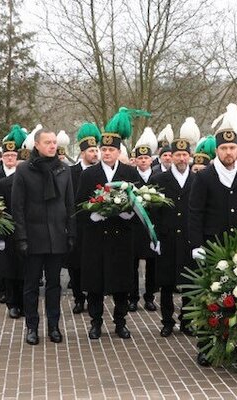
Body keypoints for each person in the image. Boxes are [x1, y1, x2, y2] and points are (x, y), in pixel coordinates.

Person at [189, 104, 237, 366]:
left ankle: (234, 345)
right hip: (211, 246)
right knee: (210, 298)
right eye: (224, 148)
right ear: (217, 150)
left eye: (233, 148)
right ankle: (206, 346)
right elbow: (195, 212)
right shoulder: (205, 177)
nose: (229, 152)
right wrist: (196, 244)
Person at [75, 107, 146, 340]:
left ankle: (120, 321)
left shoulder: (129, 172)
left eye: (111, 149)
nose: (106, 153)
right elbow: (79, 205)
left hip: (121, 236)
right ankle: (95, 322)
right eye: (103, 149)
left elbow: (140, 203)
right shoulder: (88, 174)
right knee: (95, 283)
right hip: (95, 237)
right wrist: (92, 215)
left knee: (121, 282)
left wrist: (129, 215)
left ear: (118, 151)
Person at [12, 128, 76, 345]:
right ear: (36, 145)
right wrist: (21, 237)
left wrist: (71, 232)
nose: (52, 146)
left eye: (54, 142)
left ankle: (54, 326)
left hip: (57, 235)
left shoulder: (64, 170)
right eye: (47, 142)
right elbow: (17, 207)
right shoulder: (23, 170)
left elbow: (69, 203)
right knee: (30, 285)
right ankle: (32, 327)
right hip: (33, 235)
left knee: (54, 285)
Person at [150, 138, 195, 337]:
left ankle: (186, 320)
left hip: (188, 238)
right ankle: (167, 321)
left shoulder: (196, 179)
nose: (181, 158)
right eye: (177, 155)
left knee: (189, 282)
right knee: (166, 282)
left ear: (190, 157)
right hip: (167, 237)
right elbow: (153, 209)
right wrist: (155, 237)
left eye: (185, 155)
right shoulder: (159, 179)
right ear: (171, 157)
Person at [0, 127, 28, 319]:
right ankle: (12, 303)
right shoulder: (3, 184)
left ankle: (25, 302)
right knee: (10, 270)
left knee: (27, 271)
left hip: (30, 232)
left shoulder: (35, 184)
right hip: (9, 232)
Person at [69, 123, 101, 314]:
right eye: (91, 151)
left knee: (93, 263)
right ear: (82, 153)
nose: (95, 154)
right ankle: (78, 298)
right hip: (77, 224)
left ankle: (92, 297)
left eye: (96, 150)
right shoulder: (71, 172)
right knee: (75, 264)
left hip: (96, 225)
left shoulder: (100, 172)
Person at [129, 143, 157, 312]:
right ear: (136, 160)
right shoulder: (131, 177)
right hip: (135, 227)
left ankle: (150, 297)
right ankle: (133, 298)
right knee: (133, 264)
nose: (143, 161)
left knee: (152, 264)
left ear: (151, 159)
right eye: (140, 158)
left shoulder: (158, 176)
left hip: (152, 228)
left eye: (146, 158)